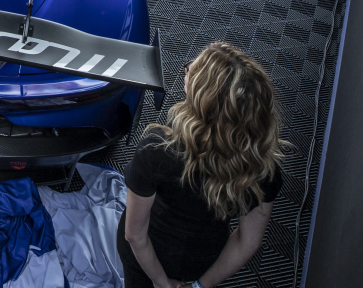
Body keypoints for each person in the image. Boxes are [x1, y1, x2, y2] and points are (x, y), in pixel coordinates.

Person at [118, 42, 285, 288]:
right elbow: (247, 241)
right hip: (204, 260)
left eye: (189, 72)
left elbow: (134, 235)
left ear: (202, 100)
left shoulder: (156, 150)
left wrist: (161, 282)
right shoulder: (264, 170)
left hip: (147, 258)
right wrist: (199, 286)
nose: (185, 73)